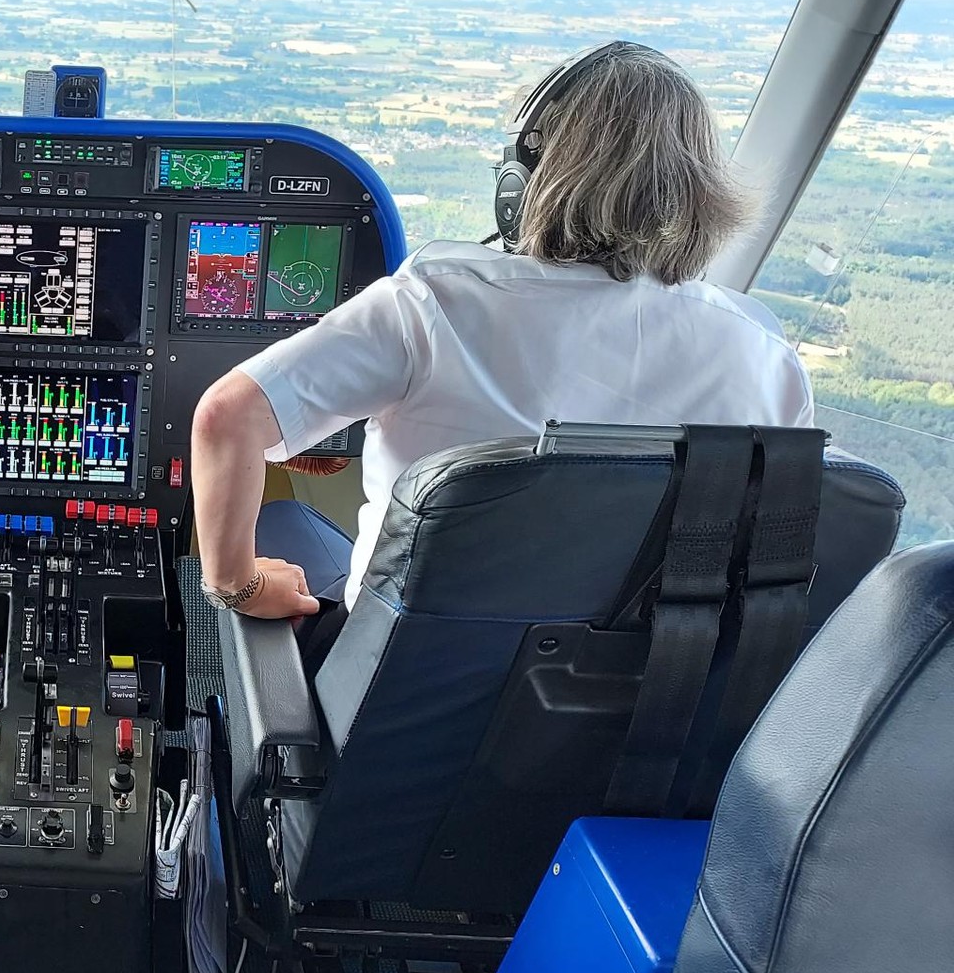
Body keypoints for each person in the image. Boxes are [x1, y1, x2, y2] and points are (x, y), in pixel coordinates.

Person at [192, 41, 814, 622]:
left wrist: (238, 583)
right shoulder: (764, 353)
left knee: (283, 520)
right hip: (650, 715)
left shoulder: (432, 305)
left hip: (391, 705)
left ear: (520, 185)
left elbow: (228, 418)